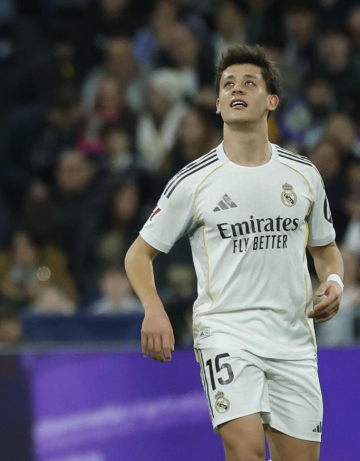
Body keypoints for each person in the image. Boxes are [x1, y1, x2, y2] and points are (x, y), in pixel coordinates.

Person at [125, 45, 343, 461]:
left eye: (249, 83)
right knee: (246, 450)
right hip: (227, 333)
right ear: (218, 103)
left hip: (293, 338)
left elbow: (326, 249)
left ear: (272, 101)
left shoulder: (303, 175)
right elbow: (137, 254)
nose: (236, 89)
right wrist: (153, 308)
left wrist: (333, 281)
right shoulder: (193, 182)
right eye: (228, 85)